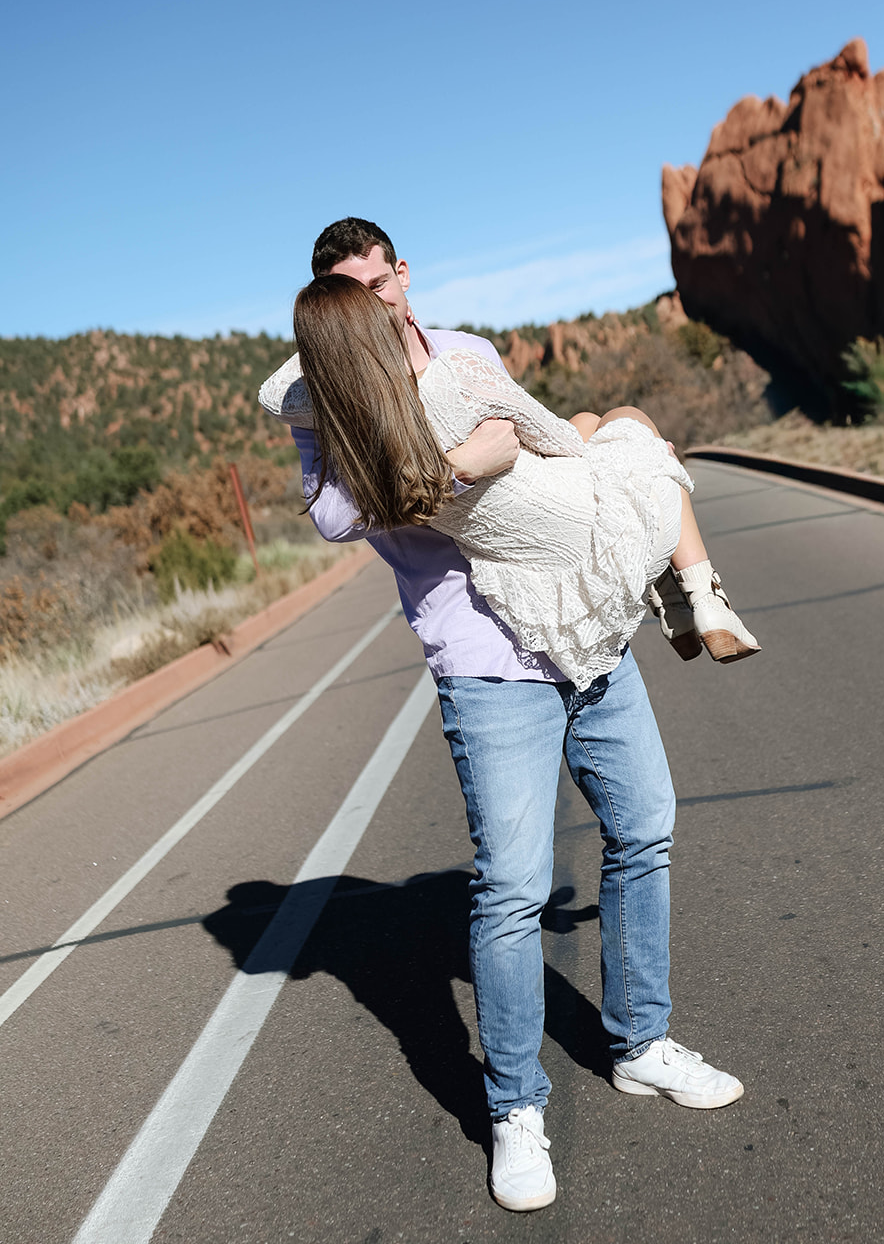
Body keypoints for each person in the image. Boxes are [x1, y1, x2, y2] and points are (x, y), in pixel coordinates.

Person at [259, 218, 747, 1213]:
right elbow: (336, 514)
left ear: (403, 272)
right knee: (513, 888)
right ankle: (516, 1106)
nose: (378, 301)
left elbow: (545, 447)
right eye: (351, 292)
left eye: (380, 279)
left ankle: (640, 1040)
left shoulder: (471, 357)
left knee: (643, 828)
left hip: (581, 625)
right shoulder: (328, 404)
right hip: (483, 660)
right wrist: (459, 465)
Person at [266, 271, 760, 690]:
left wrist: (327, 350)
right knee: (628, 423)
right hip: (573, 525)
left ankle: (675, 596)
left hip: (515, 560)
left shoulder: (356, 434)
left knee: (594, 420)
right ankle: (703, 598)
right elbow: (562, 442)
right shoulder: (460, 371)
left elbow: (274, 396)